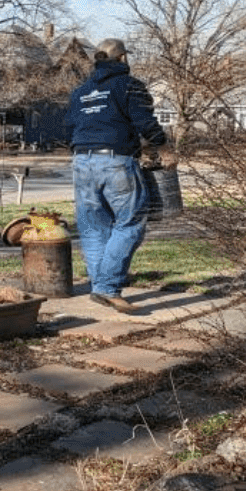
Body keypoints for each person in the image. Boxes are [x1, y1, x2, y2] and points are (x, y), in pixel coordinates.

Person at [65, 37, 169, 307]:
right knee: (131, 222)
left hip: (81, 162)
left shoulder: (79, 93)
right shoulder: (129, 86)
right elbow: (145, 122)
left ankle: (101, 284)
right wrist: (164, 147)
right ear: (122, 58)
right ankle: (107, 287)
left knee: (92, 226)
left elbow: (71, 128)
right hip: (116, 161)